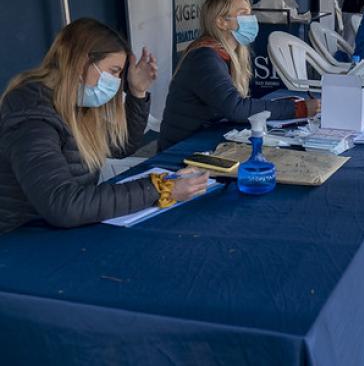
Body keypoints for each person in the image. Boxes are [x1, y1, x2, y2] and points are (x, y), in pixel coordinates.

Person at [0, 18, 209, 234]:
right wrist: (159, 188)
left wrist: (137, 92)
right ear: (82, 63)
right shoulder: (31, 114)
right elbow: (62, 204)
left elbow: (122, 146)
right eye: (114, 71)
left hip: (61, 230)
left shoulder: (77, 103)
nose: (117, 81)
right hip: (20, 239)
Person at [159, 0, 319, 151]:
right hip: (182, 151)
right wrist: (298, 108)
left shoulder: (227, 53)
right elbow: (235, 108)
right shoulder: (204, 57)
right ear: (221, 22)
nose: (251, 19)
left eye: (250, 13)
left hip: (208, 141)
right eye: (244, 14)